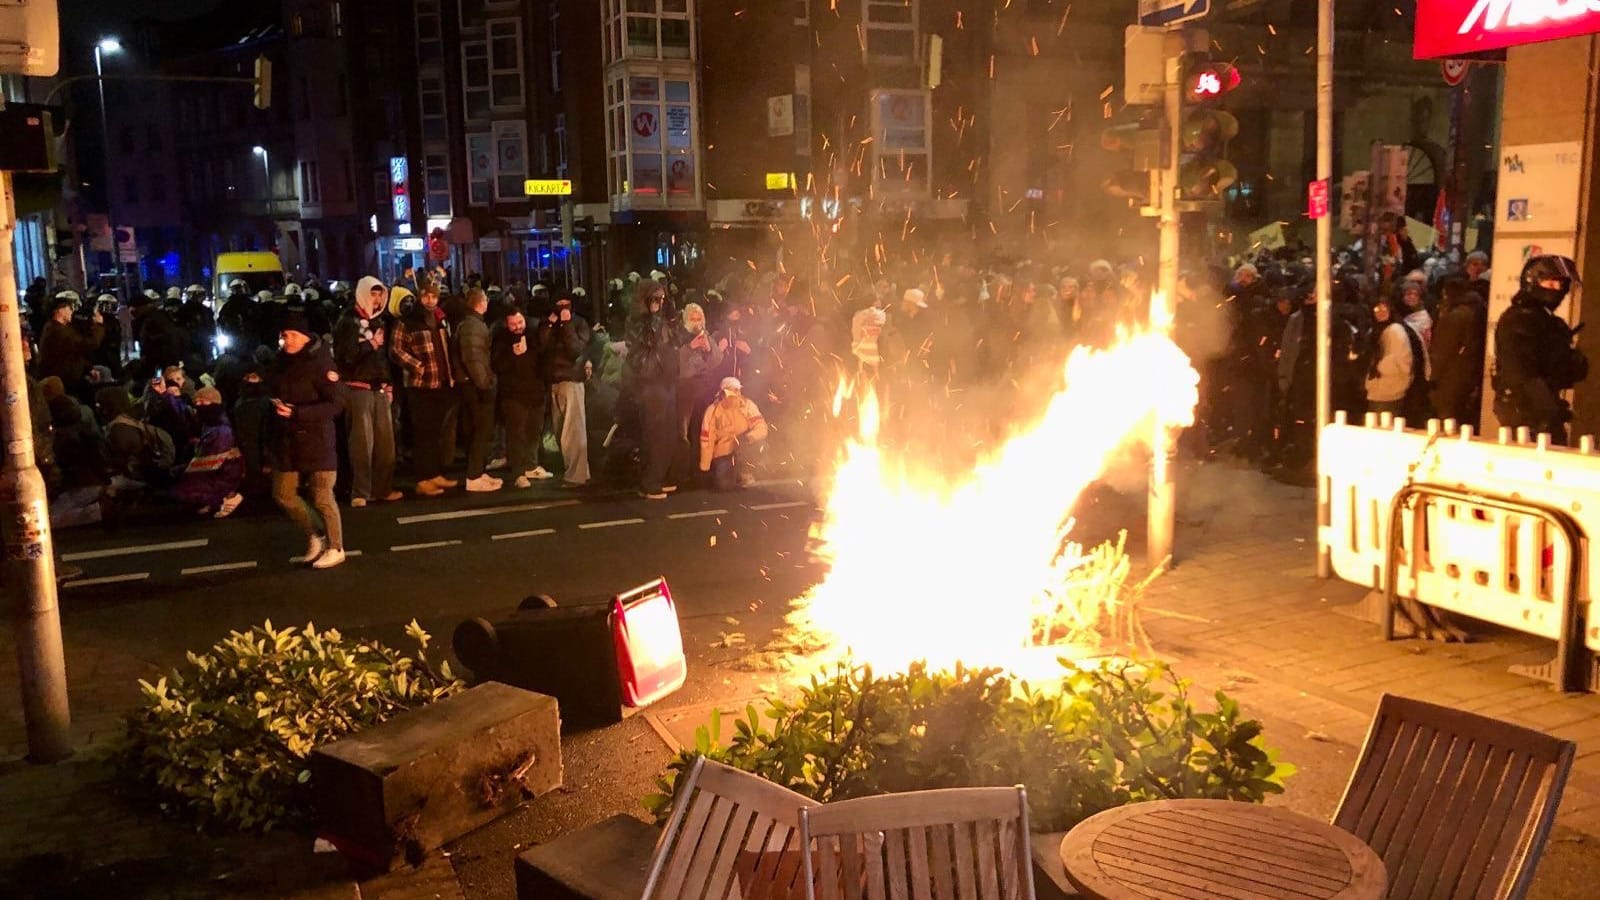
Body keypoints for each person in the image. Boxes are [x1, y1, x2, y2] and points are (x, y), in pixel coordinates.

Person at [267, 312, 347, 569]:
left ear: (304, 337)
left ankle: (336, 546)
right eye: (283, 335)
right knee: (283, 493)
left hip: (317, 437)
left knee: (322, 495)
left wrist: (298, 413)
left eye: (291, 335)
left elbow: (336, 403)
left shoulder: (321, 363)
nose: (286, 340)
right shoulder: (280, 362)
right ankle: (316, 534)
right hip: (287, 438)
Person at [1493, 255, 1588, 444]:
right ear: (1533, 282)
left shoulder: (1546, 320)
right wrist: (1548, 408)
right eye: (1550, 284)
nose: (1557, 291)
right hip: (1526, 412)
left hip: (1540, 408)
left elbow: (1566, 367)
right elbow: (1520, 372)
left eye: (1560, 286)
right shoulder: (1519, 320)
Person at [335, 277, 404, 506]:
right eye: (373, 294)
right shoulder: (348, 321)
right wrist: (370, 344)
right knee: (361, 444)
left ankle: (382, 488)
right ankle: (360, 491)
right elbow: (346, 355)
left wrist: (389, 382)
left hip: (380, 388)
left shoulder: (380, 322)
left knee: (386, 444)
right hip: (358, 387)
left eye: (379, 294)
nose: (376, 299)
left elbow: (383, 358)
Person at [391, 282, 458, 496]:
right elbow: (396, 349)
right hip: (420, 385)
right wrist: (416, 366)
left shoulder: (439, 318)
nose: (430, 300)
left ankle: (434, 473)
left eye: (434, 296)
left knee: (436, 432)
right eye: (426, 296)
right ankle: (423, 478)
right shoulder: (409, 321)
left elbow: (446, 348)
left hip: (441, 382)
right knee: (423, 433)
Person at [626, 280, 679, 499]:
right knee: (654, 434)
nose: (660, 302)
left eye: (662, 298)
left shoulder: (660, 320)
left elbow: (671, 341)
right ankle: (650, 482)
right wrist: (655, 316)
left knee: (666, 433)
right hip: (650, 383)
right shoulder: (639, 321)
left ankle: (657, 475)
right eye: (655, 298)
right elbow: (651, 341)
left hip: (664, 380)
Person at [492, 309, 554, 488]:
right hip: (513, 396)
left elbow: (542, 358)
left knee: (534, 432)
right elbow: (497, 365)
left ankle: (531, 465)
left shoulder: (533, 336)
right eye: (513, 324)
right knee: (516, 435)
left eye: (520, 323)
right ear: (507, 324)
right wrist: (513, 355)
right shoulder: (501, 340)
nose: (518, 327)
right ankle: (518, 473)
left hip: (534, 393)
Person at [540, 294, 592, 487]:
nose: (562, 307)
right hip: (554, 379)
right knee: (561, 429)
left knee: (573, 431)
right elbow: (542, 346)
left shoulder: (578, 323)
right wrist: (552, 326)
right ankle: (580, 472)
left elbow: (575, 349)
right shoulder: (549, 323)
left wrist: (567, 325)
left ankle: (575, 476)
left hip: (571, 379)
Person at [454, 287, 501, 492]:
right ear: (481, 303)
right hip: (476, 386)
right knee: (480, 429)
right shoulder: (473, 326)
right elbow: (474, 358)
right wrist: (485, 384)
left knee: (478, 430)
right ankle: (474, 476)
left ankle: (478, 472)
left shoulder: (470, 323)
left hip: (472, 384)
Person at [171, 387, 244, 518]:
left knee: (181, 490)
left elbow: (209, 462)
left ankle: (225, 499)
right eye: (197, 403)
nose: (199, 406)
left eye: (203, 402)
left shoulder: (221, 429)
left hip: (224, 474)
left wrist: (179, 471)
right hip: (220, 471)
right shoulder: (210, 424)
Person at [1429, 277, 1488, 429]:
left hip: (1451, 375)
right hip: (1468, 372)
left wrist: (1433, 376)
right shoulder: (1478, 309)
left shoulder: (1455, 315)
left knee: (1447, 419)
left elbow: (1444, 349)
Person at [1364, 297, 1429, 422]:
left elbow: (1404, 362)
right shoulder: (1379, 330)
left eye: (1384, 308)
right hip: (1382, 388)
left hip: (1388, 389)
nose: (1380, 312)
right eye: (1376, 309)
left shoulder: (1395, 331)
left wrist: (1378, 367)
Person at [699, 377, 768, 491]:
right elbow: (707, 440)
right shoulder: (712, 411)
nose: (737, 393)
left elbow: (761, 426)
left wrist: (749, 437)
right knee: (724, 486)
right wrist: (705, 466)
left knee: (761, 445)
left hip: (742, 447)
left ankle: (745, 471)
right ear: (723, 392)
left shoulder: (747, 405)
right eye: (733, 390)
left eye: (738, 390)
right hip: (724, 453)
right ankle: (731, 475)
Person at [37, 294, 105, 387]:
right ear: (60, 310)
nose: (72, 311)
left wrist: (88, 369)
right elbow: (89, 344)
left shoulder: (62, 327)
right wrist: (98, 325)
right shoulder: (57, 331)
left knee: (103, 372)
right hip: (65, 380)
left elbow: (75, 353)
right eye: (69, 308)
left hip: (70, 374)